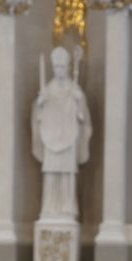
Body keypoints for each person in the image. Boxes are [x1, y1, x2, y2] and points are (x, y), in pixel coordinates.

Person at [31, 47, 93, 221]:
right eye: (57, 67)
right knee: (51, 173)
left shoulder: (74, 88)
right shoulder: (48, 89)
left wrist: (79, 101)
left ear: (67, 68)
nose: (60, 70)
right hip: (50, 136)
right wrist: (40, 104)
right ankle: (50, 207)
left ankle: (67, 207)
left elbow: (83, 116)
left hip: (68, 136)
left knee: (67, 173)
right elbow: (38, 116)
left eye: (62, 67)